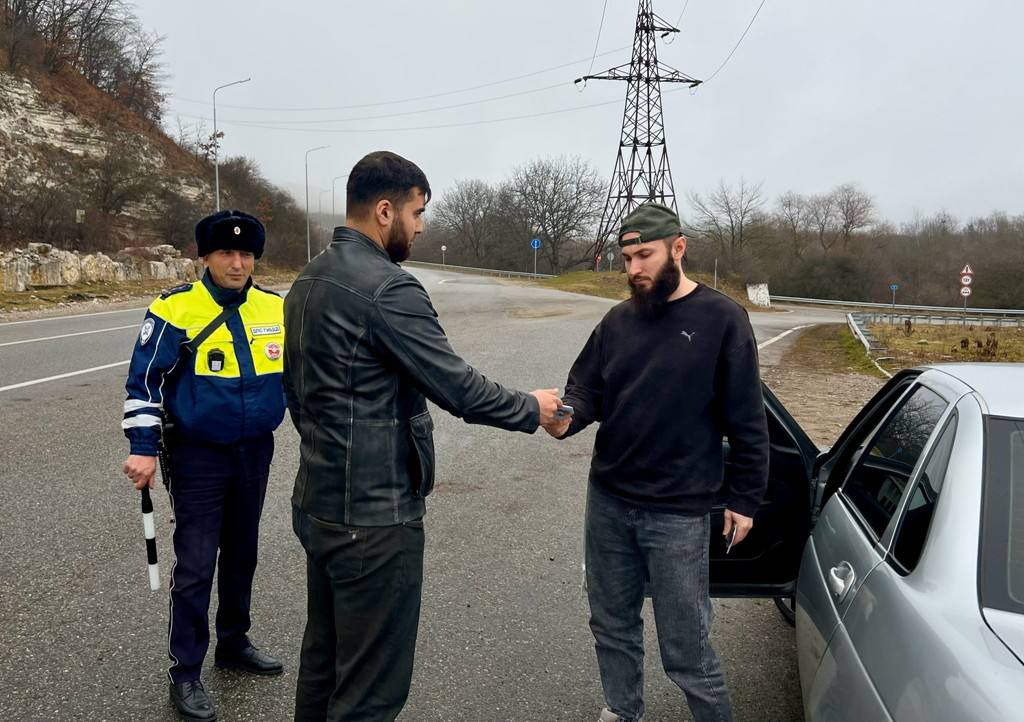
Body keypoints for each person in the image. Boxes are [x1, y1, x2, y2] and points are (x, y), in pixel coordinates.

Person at [283, 150, 564, 722]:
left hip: (318, 503)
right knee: (370, 691)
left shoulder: (308, 280)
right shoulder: (389, 288)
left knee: (325, 664)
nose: (421, 227)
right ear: (385, 211)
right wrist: (531, 408)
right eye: (417, 213)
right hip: (374, 519)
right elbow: (458, 387)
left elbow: (295, 391)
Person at [544, 202, 770, 722]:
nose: (634, 269)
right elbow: (587, 389)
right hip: (608, 500)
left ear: (678, 248)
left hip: (678, 511)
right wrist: (566, 417)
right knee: (611, 623)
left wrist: (745, 498)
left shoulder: (722, 319)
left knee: (687, 647)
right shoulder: (618, 321)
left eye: (644, 255)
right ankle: (622, 710)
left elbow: (747, 418)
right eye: (627, 259)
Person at [121, 210, 286, 722]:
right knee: (195, 564)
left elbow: (297, 378)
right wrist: (143, 447)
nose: (237, 263)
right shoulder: (175, 307)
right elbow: (144, 382)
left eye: (246, 254)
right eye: (225, 253)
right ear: (206, 257)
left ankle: (233, 643)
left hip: (255, 449)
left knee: (243, 553)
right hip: (198, 454)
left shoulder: (274, 307)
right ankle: (185, 672)